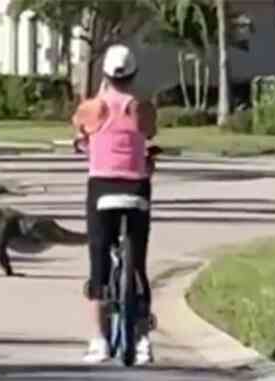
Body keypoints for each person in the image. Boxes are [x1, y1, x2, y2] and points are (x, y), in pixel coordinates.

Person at [71, 44, 157, 365]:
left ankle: (99, 341)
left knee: (98, 260)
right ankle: (144, 339)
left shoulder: (91, 108)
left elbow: (80, 135)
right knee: (138, 264)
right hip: (136, 186)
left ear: (104, 74)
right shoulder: (142, 108)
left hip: (101, 187)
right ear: (133, 74)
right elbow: (149, 133)